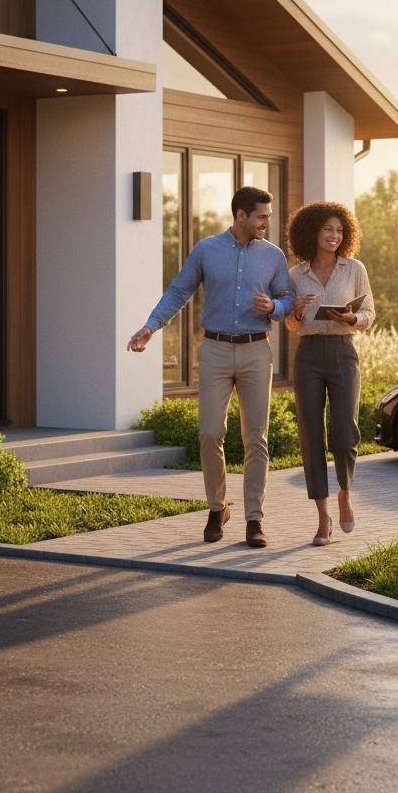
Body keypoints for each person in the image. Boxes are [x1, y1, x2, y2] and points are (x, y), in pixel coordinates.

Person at [128, 186, 294, 547]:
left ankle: (254, 519)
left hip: (255, 350)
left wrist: (275, 309)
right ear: (241, 216)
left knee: (256, 438)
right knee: (209, 433)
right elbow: (178, 292)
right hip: (215, 350)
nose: (268, 221)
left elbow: (288, 297)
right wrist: (151, 326)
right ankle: (218, 508)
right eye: (262, 216)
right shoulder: (206, 249)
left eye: (268, 215)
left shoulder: (273, 255)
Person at [284, 201, 374, 546]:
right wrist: (296, 310)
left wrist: (351, 318)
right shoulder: (296, 274)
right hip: (308, 355)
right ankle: (322, 518)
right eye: (327, 229)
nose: (334, 235)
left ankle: (345, 492)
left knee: (345, 432)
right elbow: (291, 323)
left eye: (339, 230)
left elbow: (368, 312)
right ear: (312, 233)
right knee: (311, 434)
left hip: (342, 352)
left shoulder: (354, 269)